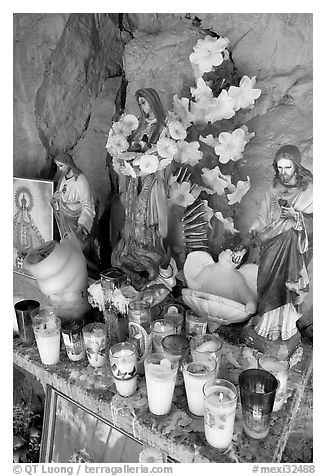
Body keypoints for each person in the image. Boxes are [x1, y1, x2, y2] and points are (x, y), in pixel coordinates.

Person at [238, 145, 313, 348]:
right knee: (267, 285)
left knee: (285, 287)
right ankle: (265, 325)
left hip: (292, 252)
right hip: (270, 247)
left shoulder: (309, 191)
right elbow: (263, 218)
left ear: (297, 167)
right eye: (279, 168)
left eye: (287, 167)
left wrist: (297, 218)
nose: (283, 173)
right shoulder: (273, 189)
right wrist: (248, 240)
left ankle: (285, 329)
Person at [111, 88, 168, 290]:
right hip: (136, 178)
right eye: (141, 103)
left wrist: (146, 162)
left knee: (146, 217)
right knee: (133, 214)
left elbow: (164, 156)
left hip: (151, 181)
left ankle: (148, 253)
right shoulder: (139, 126)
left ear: (153, 102)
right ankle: (133, 253)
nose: (143, 107)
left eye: (145, 102)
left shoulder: (163, 129)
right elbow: (130, 150)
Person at [51, 152, 96, 256]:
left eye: (61, 166)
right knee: (68, 247)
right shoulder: (63, 178)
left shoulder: (80, 179)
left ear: (69, 163)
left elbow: (87, 204)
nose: (60, 169)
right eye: (58, 166)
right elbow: (60, 199)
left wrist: (82, 224)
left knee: (79, 248)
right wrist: (54, 201)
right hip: (64, 219)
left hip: (76, 220)